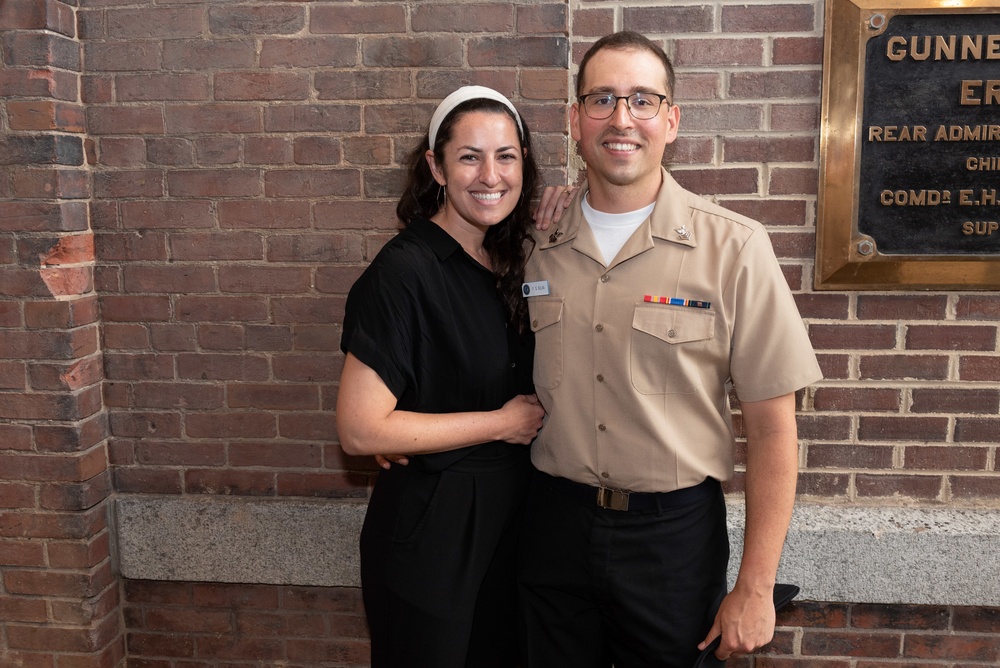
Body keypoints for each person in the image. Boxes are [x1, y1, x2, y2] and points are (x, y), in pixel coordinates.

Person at [517, 31, 823, 667]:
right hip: (551, 530)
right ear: (575, 120)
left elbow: (773, 431)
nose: (621, 119)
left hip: (671, 543)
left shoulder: (735, 248)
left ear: (672, 119)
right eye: (601, 99)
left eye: (643, 100)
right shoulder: (535, 242)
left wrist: (756, 586)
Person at [336, 86, 545, 668]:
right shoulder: (403, 273)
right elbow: (360, 432)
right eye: (469, 156)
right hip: (434, 530)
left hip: (511, 521)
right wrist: (500, 423)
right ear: (436, 167)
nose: (491, 175)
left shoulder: (512, 261)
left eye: (506, 156)